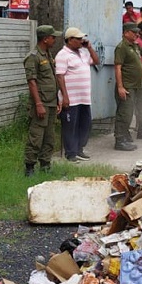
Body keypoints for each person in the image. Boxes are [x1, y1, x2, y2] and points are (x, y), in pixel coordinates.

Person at [56, 26, 99, 162]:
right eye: (79, 39)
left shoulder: (83, 53)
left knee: (85, 124)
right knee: (70, 126)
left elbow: (96, 61)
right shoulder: (62, 55)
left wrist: (89, 48)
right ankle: (71, 153)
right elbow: (60, 77)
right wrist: (65, 97)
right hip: (71, 99)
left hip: (84, 98)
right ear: (70, 40)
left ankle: (79, 148)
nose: (82, 41)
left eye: (82, 39)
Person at [23, 25, 59, 176]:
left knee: (49, 137)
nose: (55, 39)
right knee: (36, 137)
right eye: (53, 37)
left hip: (50, 102)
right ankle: (30, 168)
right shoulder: (33, 56)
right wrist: (38, 104)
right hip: (41, 103)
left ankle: (45, 165)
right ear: (45, 39)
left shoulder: (47, 54)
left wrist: (57, 101)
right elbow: (32, 82)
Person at [113, 23, 142, 151]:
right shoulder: (122, 47)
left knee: (129, 113)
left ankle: (125, 137)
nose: (136, 34)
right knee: (124, 114)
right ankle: (120, 141)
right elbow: (118, 67)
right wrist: (120, 87)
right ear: (126, 32)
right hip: (126, 86)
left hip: (134, 86)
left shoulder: (134, 46)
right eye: (133, 32)